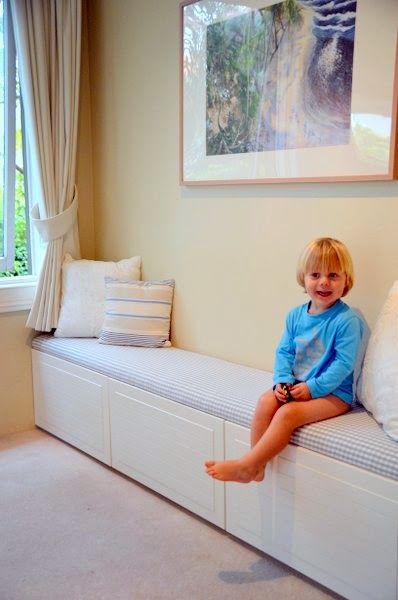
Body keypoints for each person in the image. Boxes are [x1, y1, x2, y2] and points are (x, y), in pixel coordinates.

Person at [205, 237, 365, 484]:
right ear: (304, 278)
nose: (324, 281)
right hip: (296, 383)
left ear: (346, 281)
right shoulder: (295, 316)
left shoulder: (346, 321)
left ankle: (247, 466)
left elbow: (343, 364)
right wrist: (282, 380)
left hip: (335, 395)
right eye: (315, 274)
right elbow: (284, 352)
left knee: (287, 414)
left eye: (333, 275)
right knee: (265, 401)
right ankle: (256, 468)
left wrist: (313, 388)